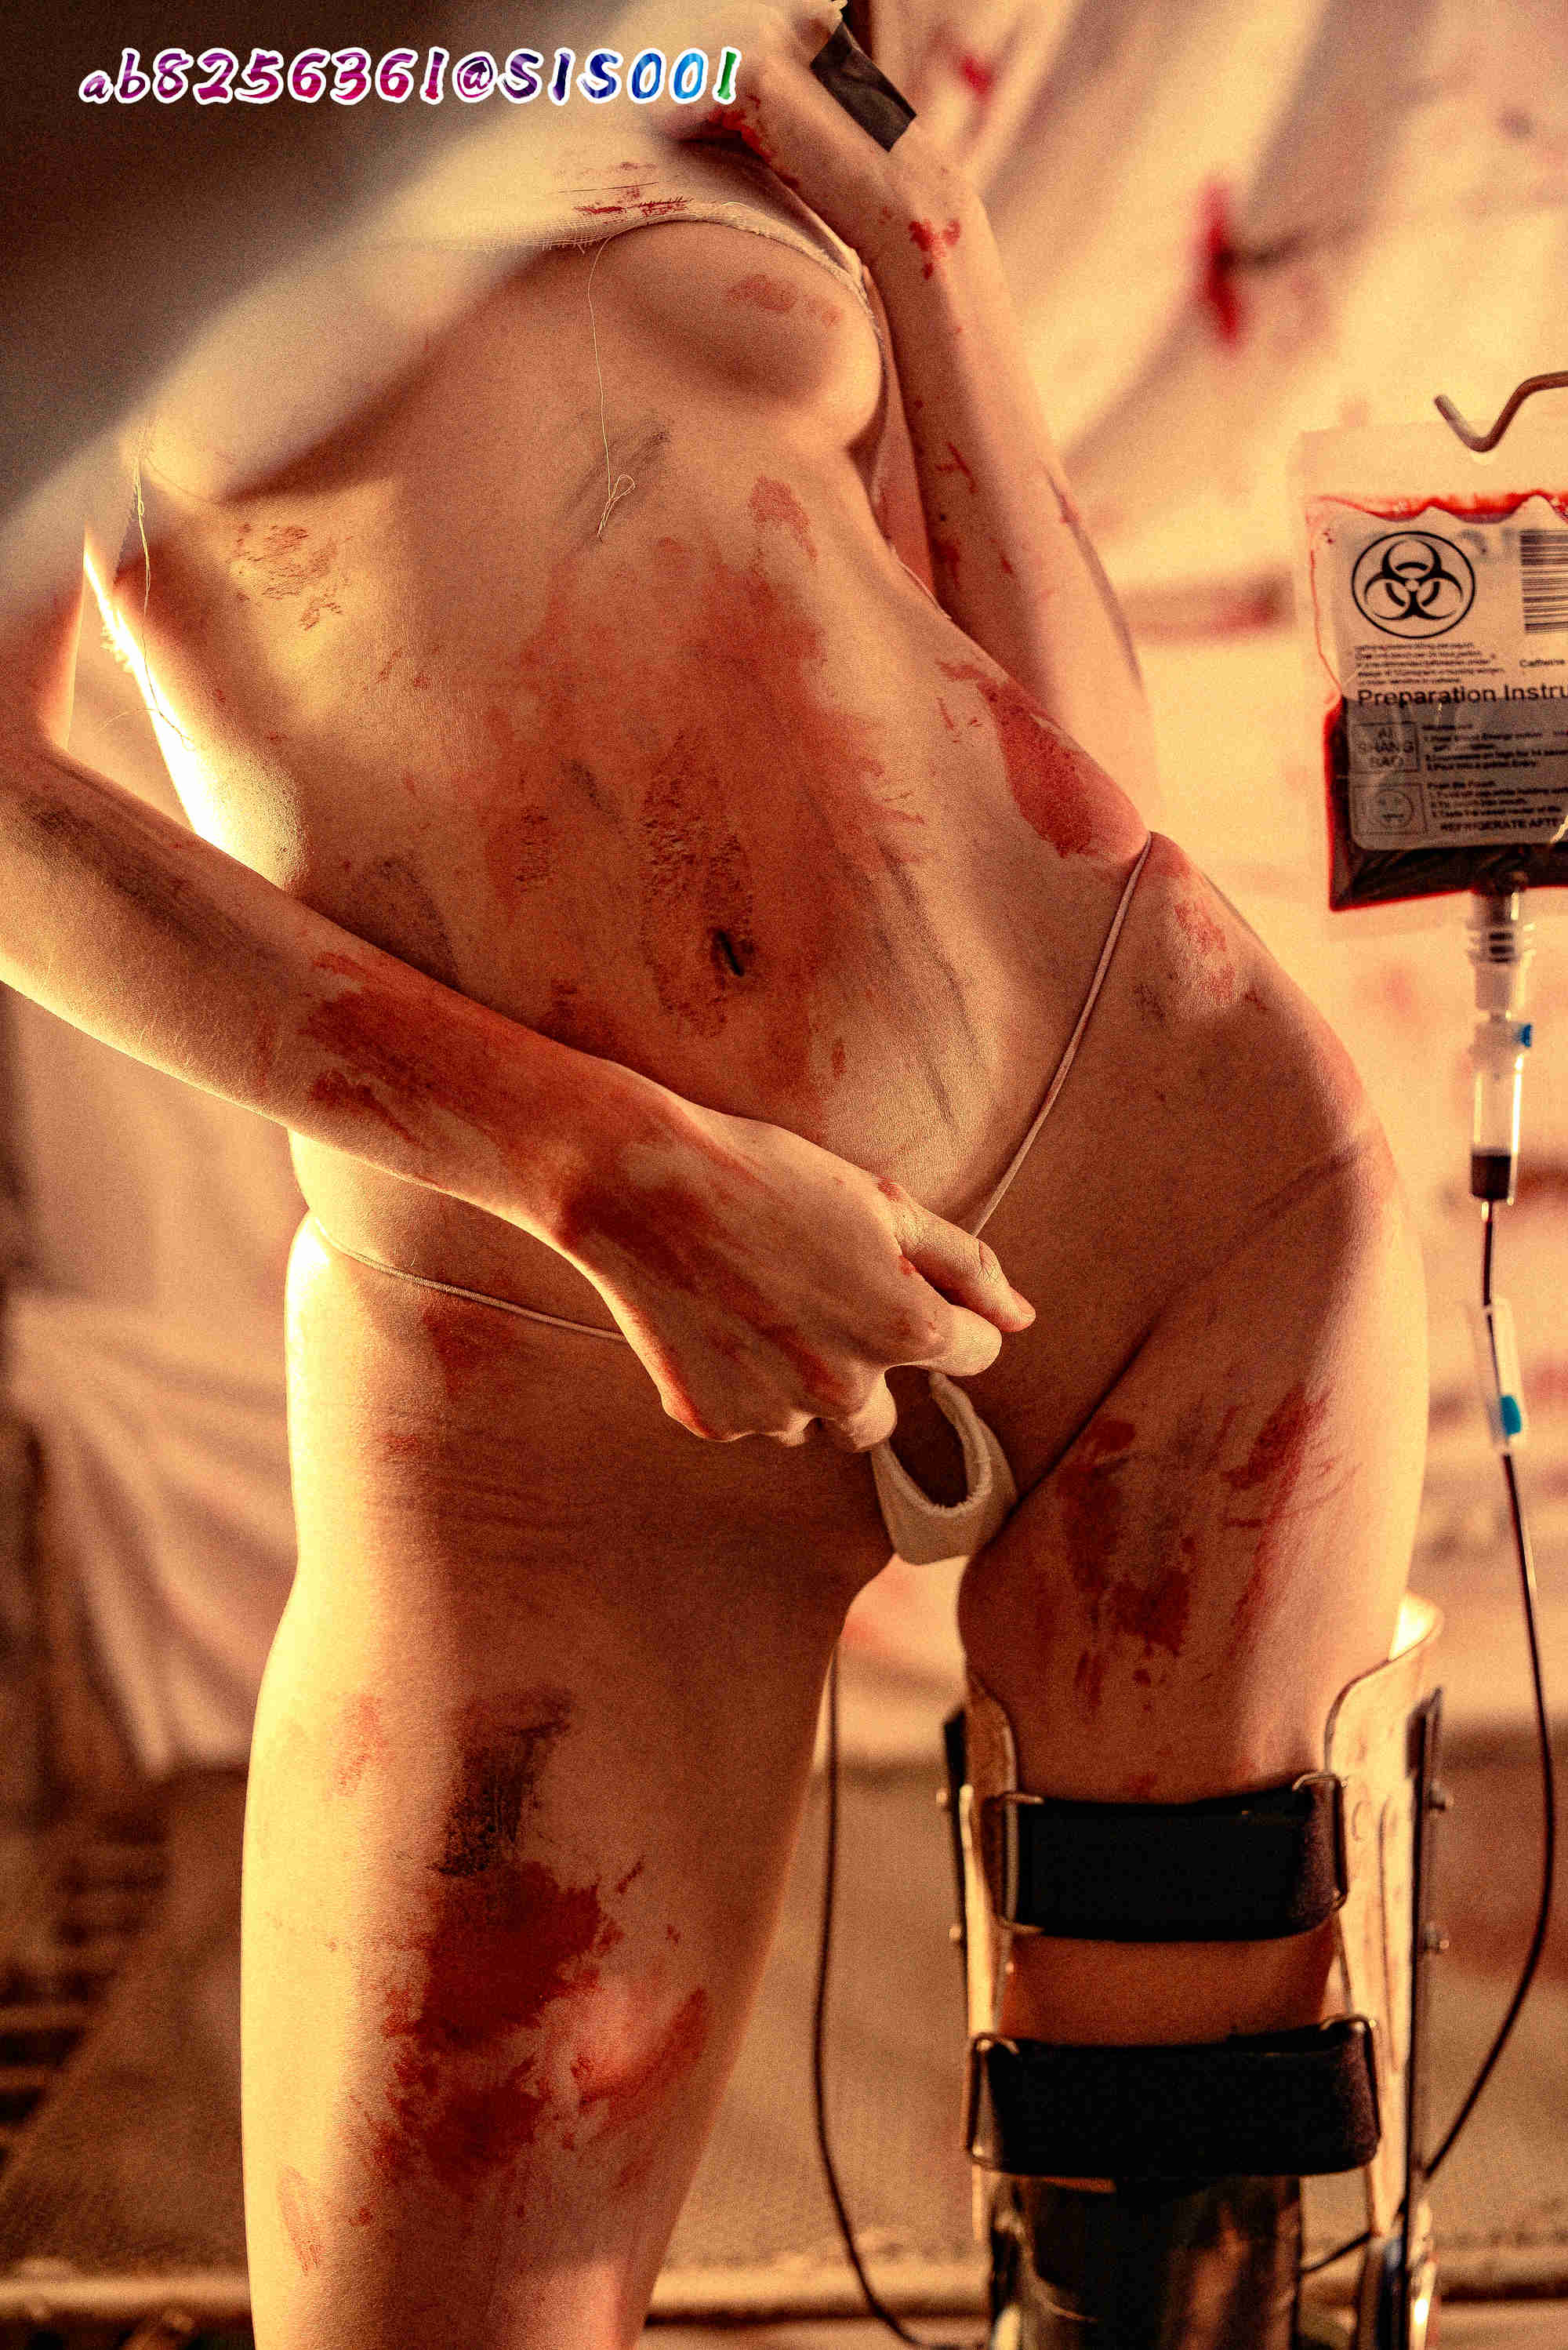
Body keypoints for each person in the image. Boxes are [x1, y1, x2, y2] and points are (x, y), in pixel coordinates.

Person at [0, 7, 1426, 2344]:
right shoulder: (146, 88)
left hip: (1167, 1195)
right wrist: (596, 1162)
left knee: (1174, 2274)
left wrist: (925, 243)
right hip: (544, 1354)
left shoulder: (704, 42)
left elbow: (1063, 759)